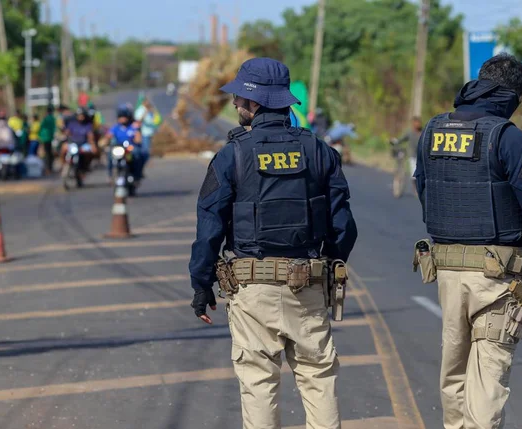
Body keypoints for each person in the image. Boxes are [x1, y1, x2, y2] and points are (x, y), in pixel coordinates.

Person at [189, 57, 358, 429]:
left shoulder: (231, 155)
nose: (234, 104)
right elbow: (344, 226)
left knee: (259, 382)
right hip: (308, 286)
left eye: (239, 99)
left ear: (256, 103)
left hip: (253, 290)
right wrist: (326, 267)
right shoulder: (319, 151)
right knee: (318, 380)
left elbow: (209, 229)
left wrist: (202, 284)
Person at [413, 53, 522, 429]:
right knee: (488, 373)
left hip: (447, 270)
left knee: (454, 371)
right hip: (497, 277)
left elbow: (424, 189)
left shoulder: (432, 129)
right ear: (509, 95)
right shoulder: (508, 136)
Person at [104, 106, 142, 184]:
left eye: (124, 117)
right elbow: (108, 136)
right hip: (119, 148)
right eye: (121, 117)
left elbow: (138, 138)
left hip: (130, 149)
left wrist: (136, 138)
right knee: (110, 156)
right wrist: (104, 142)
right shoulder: (116, 128)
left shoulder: (133, 127)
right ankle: (110, 176)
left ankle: (136, 175)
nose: (122, 119)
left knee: (137, 156)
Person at [59, 108, 97, 174]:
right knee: (63, 148)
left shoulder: (87, 125)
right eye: (79, 115)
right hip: (73, 144)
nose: (80, 117)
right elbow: (67, 132)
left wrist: (92, 145)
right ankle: (63, 164)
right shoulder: (72, 124)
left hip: (83, 144)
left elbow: (90, 135)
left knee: (89, 152)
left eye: (82, 115)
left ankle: (86, 166)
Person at [391, 116, 422, 191]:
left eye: (418, 123)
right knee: (413, 171)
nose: (417, 124)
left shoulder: (422, 132)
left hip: (420, 154)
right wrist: (395, 141)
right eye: (415, 123)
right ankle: (415, 187)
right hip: (412, 155)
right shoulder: (409, 132)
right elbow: (402, 139)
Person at [134, 98, 160, 177]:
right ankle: (142, 164)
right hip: (144, 132)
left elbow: (155, 119)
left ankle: (146, 162)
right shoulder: (140, 110)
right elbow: (138, 121)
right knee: (144, 150)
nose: (148, 103)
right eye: (147, 101)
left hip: (149, 132)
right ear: (143, 102)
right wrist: (145, 113)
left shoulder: (149, 109)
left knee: (147, 148)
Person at [39, 106, 57, 175]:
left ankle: (48, 168)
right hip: (50, 137)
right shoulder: (53, 118)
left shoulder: (46, 118)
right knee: (49, 153)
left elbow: (42, 126)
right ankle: (50, 167)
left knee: (47, 154)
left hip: (45, 137)